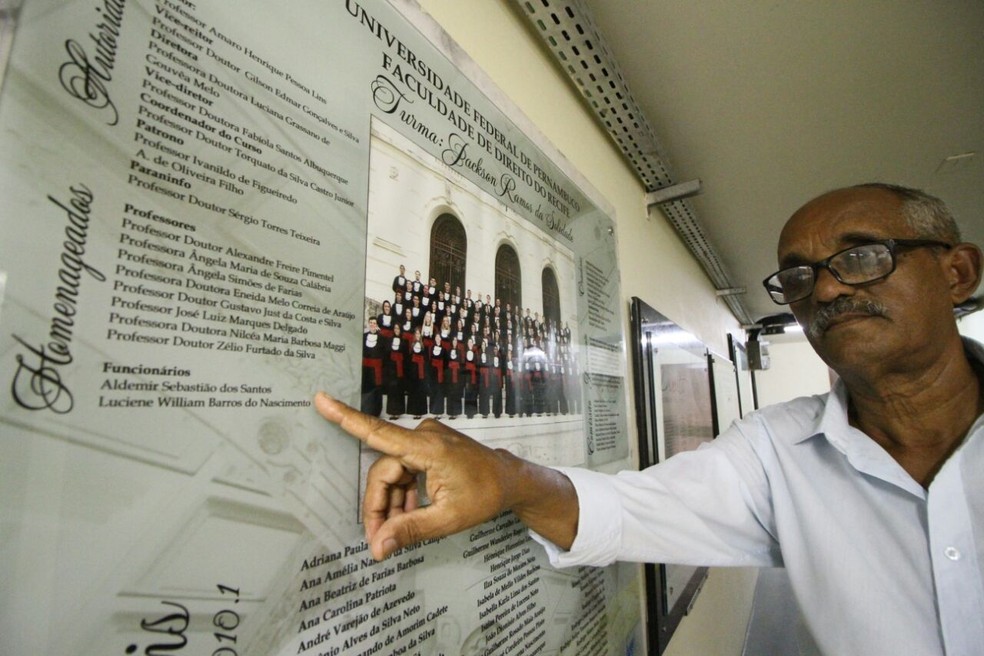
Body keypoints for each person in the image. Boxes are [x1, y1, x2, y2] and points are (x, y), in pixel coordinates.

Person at [316, 184, 983, 655]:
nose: (829, 289)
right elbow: (628, 510)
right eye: (801, 278)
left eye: (862, 256)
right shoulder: (778, 451)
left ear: (957, 273)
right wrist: (506, 477)